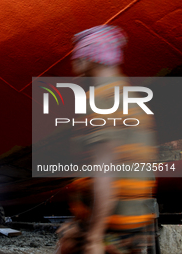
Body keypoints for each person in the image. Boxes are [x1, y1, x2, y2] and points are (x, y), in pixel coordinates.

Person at [56, 25, 158, 254]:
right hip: (134, 225)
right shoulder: (129, 94)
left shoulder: (102, 98)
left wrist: (94, 236)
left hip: (112, 229)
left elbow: (105, 171)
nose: (74, 60)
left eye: (80, 53)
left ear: (93, 55)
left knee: (67, 245)